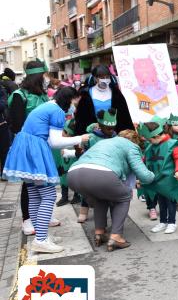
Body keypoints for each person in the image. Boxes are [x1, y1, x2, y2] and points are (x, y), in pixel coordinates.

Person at [3, 87, 89, 253]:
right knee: (49, 196)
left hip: (25, 148)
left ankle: (40, 237)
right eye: (75, 102)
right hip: (35, 150)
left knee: (35, 195)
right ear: (69, 99)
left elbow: (50, 140)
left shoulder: (48, 106)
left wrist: (71, 146)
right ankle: (41, 239)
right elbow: (55, 142)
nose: (75, 107)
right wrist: (81, 138)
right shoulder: (57, 111)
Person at [68, 130, 154, 251]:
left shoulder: (105, 142)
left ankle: (100, 232)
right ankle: (116, 237)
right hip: (100, 173)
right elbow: (144, 176)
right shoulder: (131, 146)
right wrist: (154, 176)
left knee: (100, 198)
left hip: (73, 174)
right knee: (124, 196)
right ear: (135, 141)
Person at [7, 60, 52, 235]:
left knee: (44, 180)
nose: (46, 79)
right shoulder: (20, 95)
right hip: (28, 144)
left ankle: (43, 215)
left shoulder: (42, 95)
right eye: (44, 76)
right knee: (29, 182)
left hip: (44, 144)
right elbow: (15, 123)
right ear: (37, 77)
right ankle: (27, 219)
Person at [139, 117, 178, 234]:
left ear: (156, 136)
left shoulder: (172, 144)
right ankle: (163, 222)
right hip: (158, 181)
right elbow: (144, 160)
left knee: (170, 202)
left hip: (170, 180)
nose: (148, 142)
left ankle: (172, 222)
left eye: (150, 139)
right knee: (161, 201)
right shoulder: (151, 147)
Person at [74, 64, 133, 135]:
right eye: (102, 77)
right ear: (95, 78)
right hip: (93, 133)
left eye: (107, 77)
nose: (105, 79)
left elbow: (124, 115)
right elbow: (81, 118)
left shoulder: (115, 93)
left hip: (114, 132)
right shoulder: (86, 94)